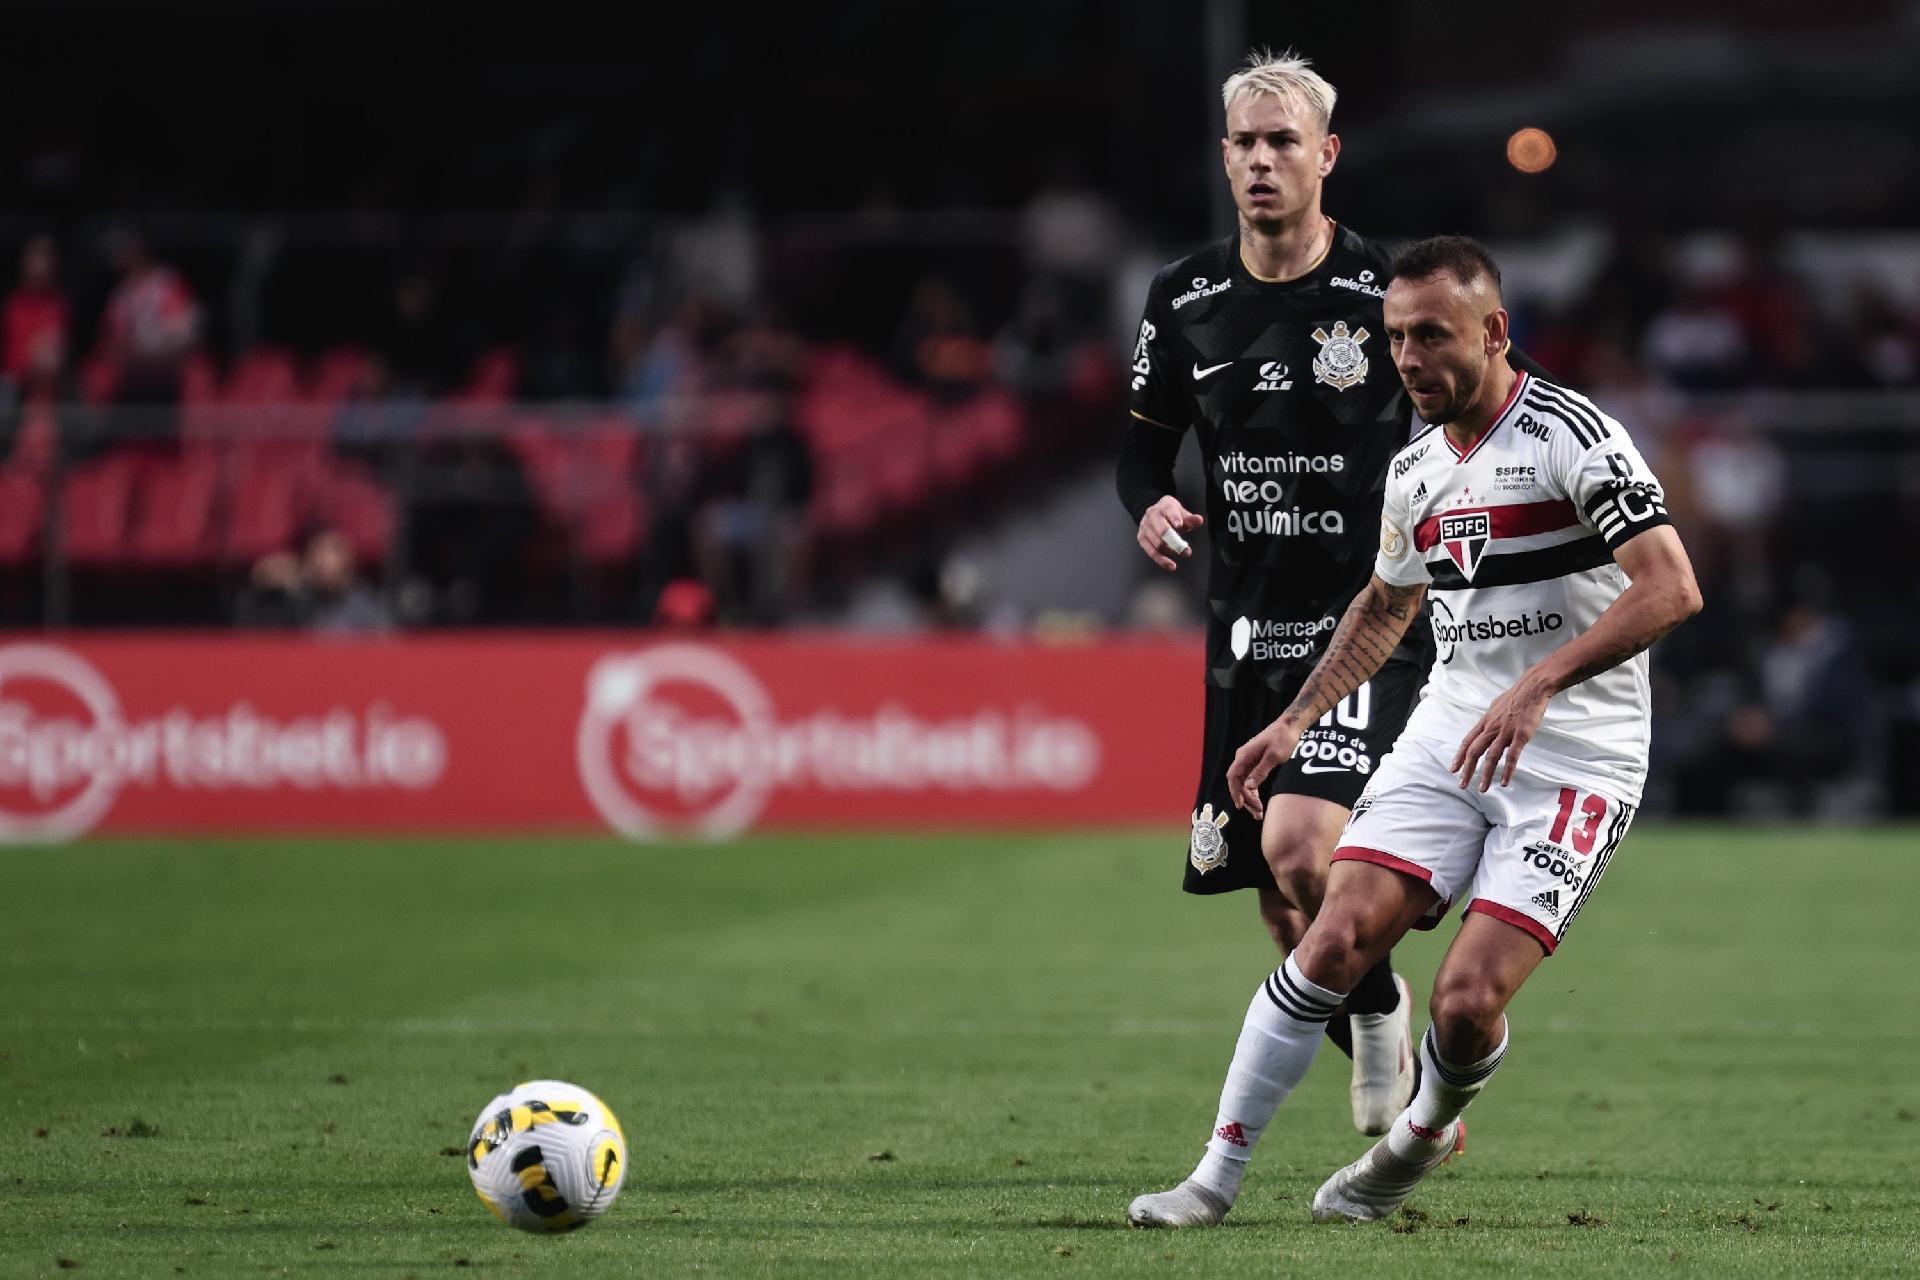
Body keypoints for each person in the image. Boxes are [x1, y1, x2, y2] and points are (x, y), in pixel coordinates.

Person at [1126, 235, 1700, 1227]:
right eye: (1394, 338)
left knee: (1468, 1002)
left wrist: (1541, 683)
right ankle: (1213, 1176)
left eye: (1430, 335)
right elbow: (1385, 607)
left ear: (1494, 331)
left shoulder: (1575, 436)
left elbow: (1672, 586)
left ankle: (1422, 1130)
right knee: (1334, 933)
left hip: (1578, 756)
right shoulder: (1419, 467)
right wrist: (1294, 721)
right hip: (1448, 733)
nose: (1408, 359)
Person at [1116, 51, 1559, 1162]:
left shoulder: (1385, 293)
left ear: (1326, 155)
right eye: (1245, 144)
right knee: (1278, 895)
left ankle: (1377, 1018)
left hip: (1371, 616)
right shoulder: (1184, 299)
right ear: (1224, 158)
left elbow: (1491, 407)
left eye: (1283, 142)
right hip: (1244, 629)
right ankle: (1374, 1006)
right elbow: (1139, 454)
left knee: (1309, 847)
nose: (1263, 161)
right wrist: (1152, 506)